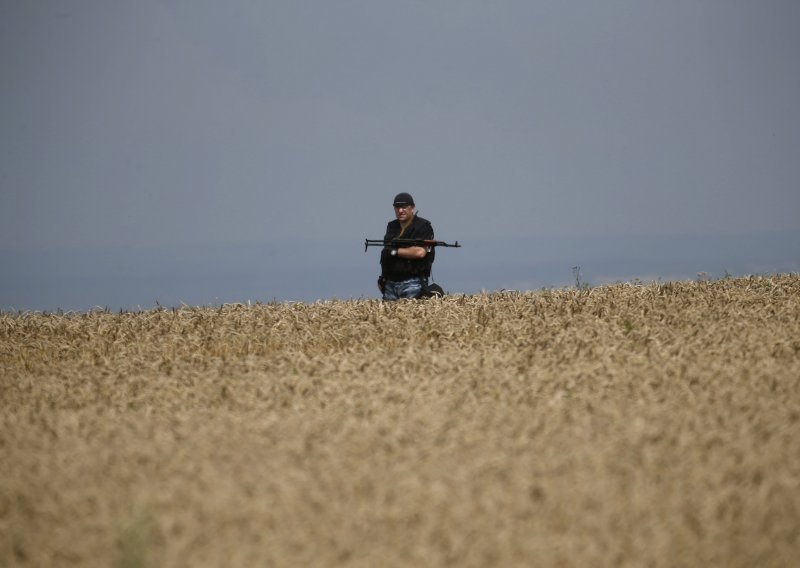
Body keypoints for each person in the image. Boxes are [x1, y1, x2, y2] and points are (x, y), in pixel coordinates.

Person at [377, 192, 435, 300]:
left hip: (413, 282)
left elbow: (420, 252)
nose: (400, 211)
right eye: (397, 207)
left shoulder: (423, 226)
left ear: (412, 207)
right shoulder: (392, 226)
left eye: (404, 207)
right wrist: (382, 278)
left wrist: (395, 251)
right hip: (390, 282)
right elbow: (386, 251)